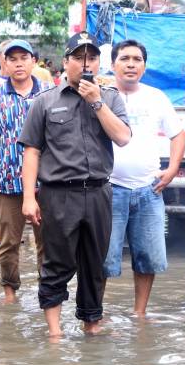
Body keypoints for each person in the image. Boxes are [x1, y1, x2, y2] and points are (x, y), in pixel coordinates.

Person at [19, 31, 131, 337]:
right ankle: (54, 333)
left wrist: (96, 102)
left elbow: (122, 137)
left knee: (95, 264)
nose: (86, 64)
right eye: (79, 57)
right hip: (58, 194)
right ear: (66, 62)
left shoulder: (110, 98)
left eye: (92, 58)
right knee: (56, 262)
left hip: (98, 192)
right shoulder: (45, 102)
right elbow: (31, 152)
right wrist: (28, 197)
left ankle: (91, 325)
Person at [101, 39, 185, 316]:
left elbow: (178, 135)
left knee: (148, 258)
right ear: (112, 64)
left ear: (144, 67)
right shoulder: (100, 97)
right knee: (103, 257)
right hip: (108, 189)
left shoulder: (156, 97)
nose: (131, 64)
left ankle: (140, 314)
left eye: (137, 59)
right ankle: (95, 313)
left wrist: (172, 169)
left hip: (149, 189)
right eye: (124, 59)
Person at [0, 39, 49, 303]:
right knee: (8, 242)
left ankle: (47, 291)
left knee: (48, 241)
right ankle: (9, 293)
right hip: (7, 181)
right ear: (4, 63)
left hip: (45, 181)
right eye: (12, 59)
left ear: (34, 62)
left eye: (24, 58)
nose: (18, 64)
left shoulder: (49, 93)